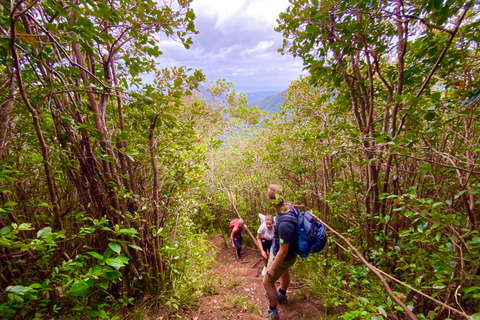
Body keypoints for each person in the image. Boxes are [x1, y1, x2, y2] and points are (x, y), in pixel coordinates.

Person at [263, 184, 297, 320]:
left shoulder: (284, 223)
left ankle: (273, 311)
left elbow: (283, 252)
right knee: (284, 271)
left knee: (267, 281)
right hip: (289, 254)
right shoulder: (289, 206)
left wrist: (272, 267)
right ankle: (282, 294)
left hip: (284, 255)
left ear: (271, 201)